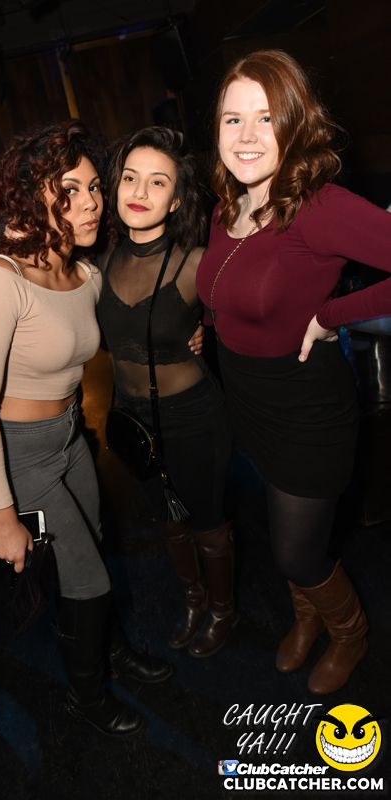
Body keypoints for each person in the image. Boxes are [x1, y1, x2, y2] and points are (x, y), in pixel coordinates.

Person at [0, 120, 172, 738]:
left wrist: (191, 336)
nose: (91, 203)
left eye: (95, 187)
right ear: (32, 196)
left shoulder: (85, 274)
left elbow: (131, 326)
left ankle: (111, 652)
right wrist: (2, 516)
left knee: (93, 549)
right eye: (69, 190)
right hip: (15, 460)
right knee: (86, 576)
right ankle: (86, 695)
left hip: (70, 439)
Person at [197, 49, 391, 694]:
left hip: (307, 407)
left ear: (296, 125)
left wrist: (333, 314)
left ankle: (351, 633)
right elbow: (233, 287)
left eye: (267, 118)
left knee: (296, 550)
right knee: (284, 533)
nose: (247, 136)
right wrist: (212, 322)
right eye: (233, 119)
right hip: (249, 401)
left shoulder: (319, 205)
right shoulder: (226, 206)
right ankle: (307, 618)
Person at [96, 127, 235, 658]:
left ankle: (223, 609)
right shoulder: (100, 262)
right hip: (133, 417)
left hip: (193, 416)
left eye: (157, 182)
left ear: (176, 200)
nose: (139, 191)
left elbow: (242, 314)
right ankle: (194, 599)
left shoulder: (194, 261)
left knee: (207, 522)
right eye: (130, 178)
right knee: (165, 519)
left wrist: (208, 330)